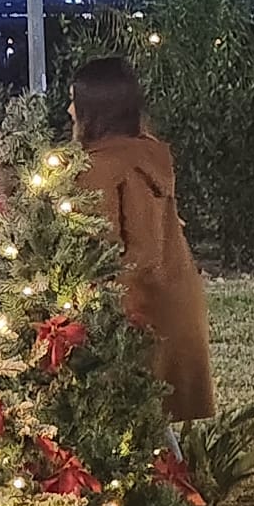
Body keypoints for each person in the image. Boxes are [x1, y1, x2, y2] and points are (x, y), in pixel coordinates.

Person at [70, 57, 216, 426]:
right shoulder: (147, 154)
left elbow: (112, 250)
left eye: (74, 100)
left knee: (134, 417)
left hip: (138, 310)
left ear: (93, 109)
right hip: (169, 298)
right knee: (152, 421)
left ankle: (180, 482)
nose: (68, 109)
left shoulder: (102, 168)